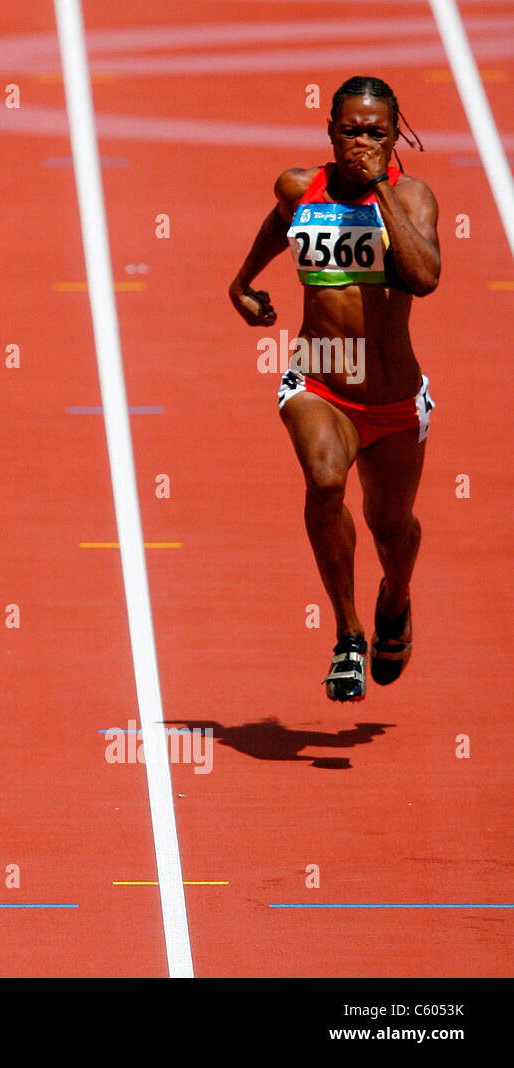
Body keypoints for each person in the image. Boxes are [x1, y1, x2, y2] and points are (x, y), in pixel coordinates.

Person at [229, 75, 439, 702]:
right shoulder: (301, 188)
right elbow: (278, 222)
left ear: (394, 135)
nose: (361, 143)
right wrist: (242, 282)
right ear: (330, 131)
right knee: (324, 481)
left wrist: (379, 188)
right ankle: (348, 634)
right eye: (350, 131)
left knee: (391, 527)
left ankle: (394, 599)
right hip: (318, 376)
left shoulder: (413, 198)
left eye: (376, 133)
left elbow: (425, 276)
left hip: (394, 396)